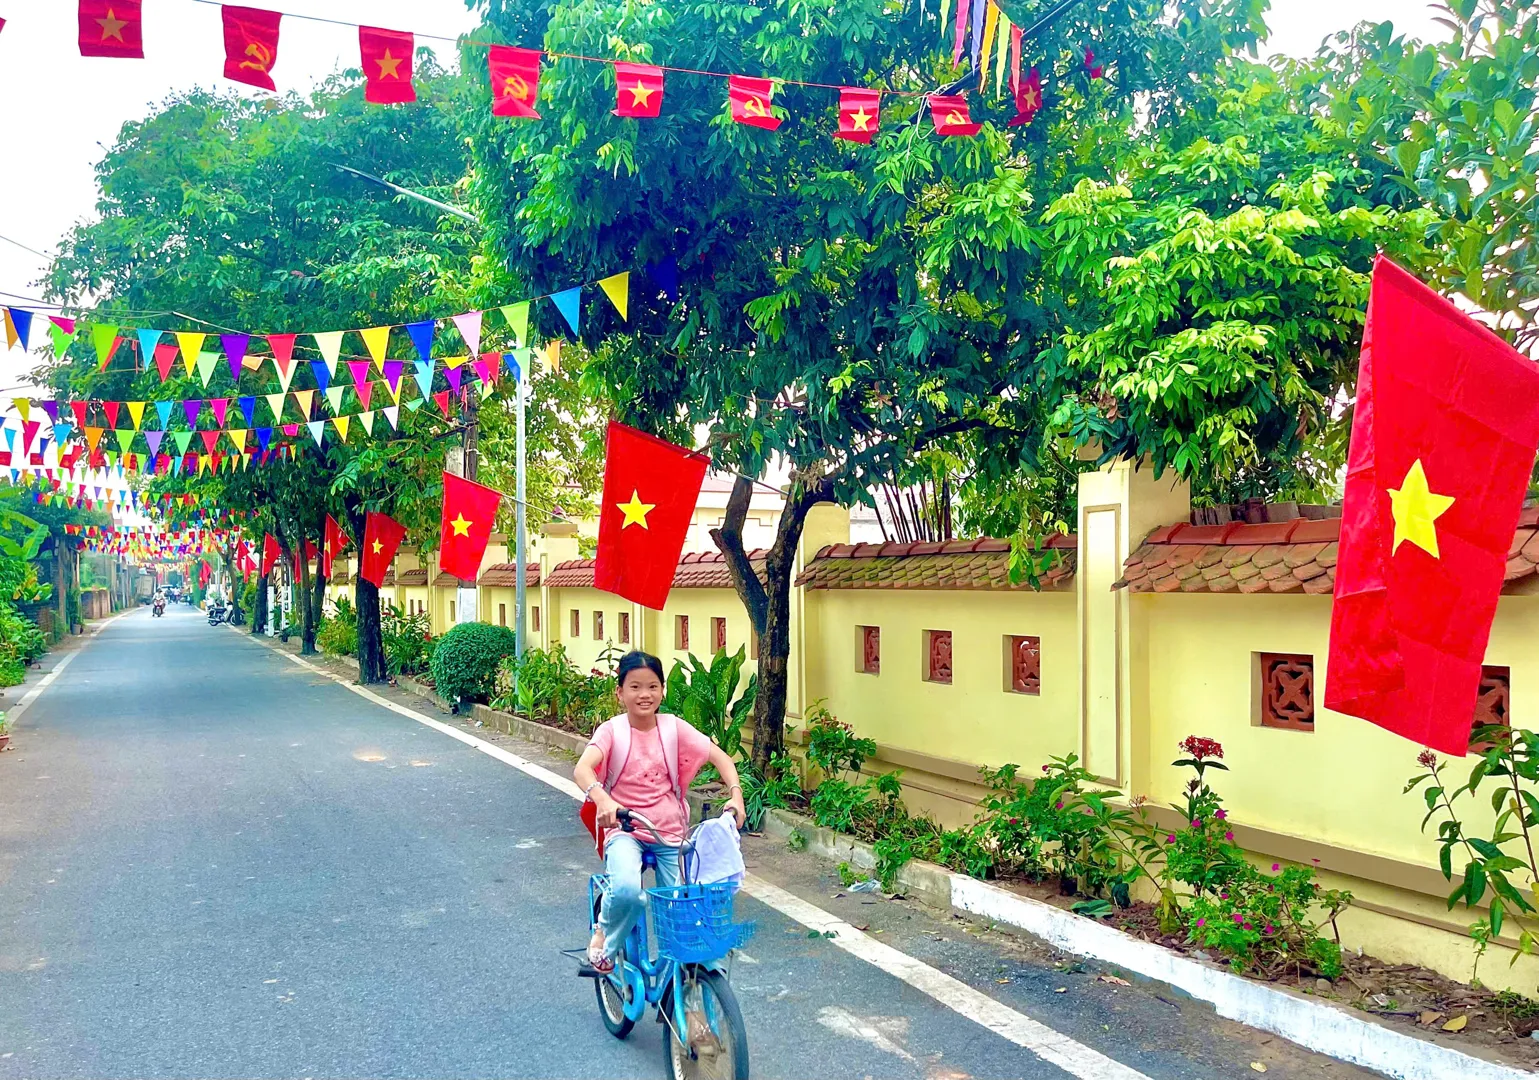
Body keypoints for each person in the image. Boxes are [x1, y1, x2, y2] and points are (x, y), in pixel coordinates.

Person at [574, 650, 747, 974]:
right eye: (635, 687)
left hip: (669, 832)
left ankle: (692, 1002)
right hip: (626, 831)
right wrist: (604, 800)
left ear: (663, 690)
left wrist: (735, 796)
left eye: (652, 686)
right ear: (620, 692)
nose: (644, 694)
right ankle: (603, 938)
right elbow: (583, 769)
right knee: (627, 892)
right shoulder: (612, 732)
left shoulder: (673, 729)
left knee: (684, 913)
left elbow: (721, 758)